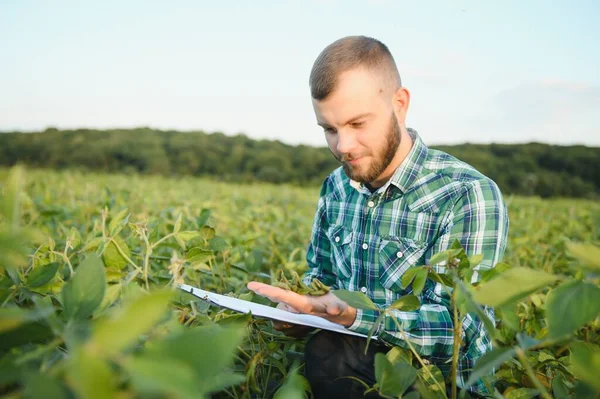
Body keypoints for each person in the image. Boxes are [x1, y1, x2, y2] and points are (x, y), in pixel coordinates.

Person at [247, 35, 509, 398]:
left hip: (438, 387)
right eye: (329, 129)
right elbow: (320, 276)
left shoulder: (466, 193)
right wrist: (299, 311)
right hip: (342, 371)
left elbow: (461, 331)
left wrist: (352, 315)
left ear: (399, 104)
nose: (343, 147)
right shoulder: (336, 188)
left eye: (357, 124)